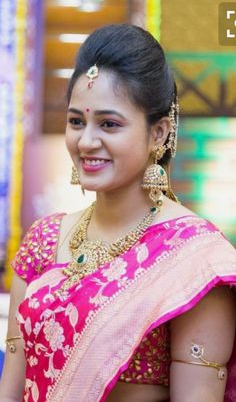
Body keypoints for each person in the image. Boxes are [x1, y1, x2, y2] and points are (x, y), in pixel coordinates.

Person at [0, 24, 235, 402]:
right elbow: (11, 392)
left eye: (109, 124)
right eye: (77, 121)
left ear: (158, 133)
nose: (87, 141)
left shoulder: (194, 261)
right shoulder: (44, 241)